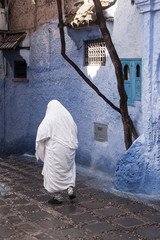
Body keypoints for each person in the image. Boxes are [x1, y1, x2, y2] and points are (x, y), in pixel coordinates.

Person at [35, 100, 78, 204]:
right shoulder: (69, 118)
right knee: (68, 169)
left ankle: (57, 197)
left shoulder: (50, 118)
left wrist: (39, 147)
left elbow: (41, 134)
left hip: (55, 149)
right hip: (69, 150)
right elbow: (74, 131)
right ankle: (70, 189)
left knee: (54, 172)